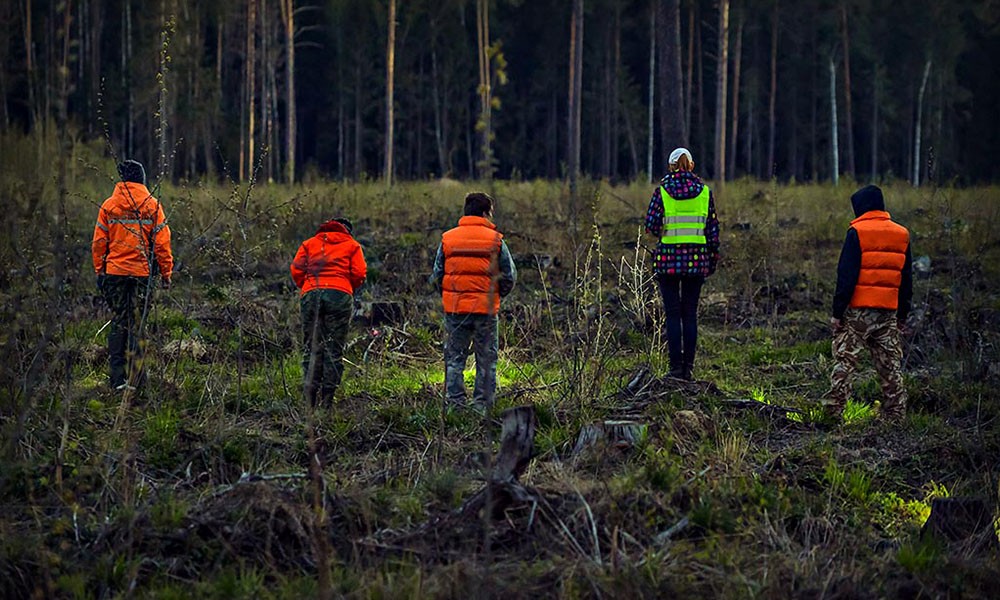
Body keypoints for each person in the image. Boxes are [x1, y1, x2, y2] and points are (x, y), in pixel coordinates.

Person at [825, 184, 912, 423]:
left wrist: (837, 312)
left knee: (846, 362)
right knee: (890, 365)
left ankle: (833, 412)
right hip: (888, 311)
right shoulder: (901, 234)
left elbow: (846, 275)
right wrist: (902, 315)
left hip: (857, 312)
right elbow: (906, 279)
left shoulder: (857, 232)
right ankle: (896, 414)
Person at [431, 192, 517, 412]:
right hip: (485, 309)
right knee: (486, 359)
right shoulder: (496, 240)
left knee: (454, 358)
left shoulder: (448, 238)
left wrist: (449, 295)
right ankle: (482, 406)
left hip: (456, 309)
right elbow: (509, 275)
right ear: (485, 212)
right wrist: (497, 295)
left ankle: (455, 406)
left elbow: (437, 274)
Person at [92, 160, 173, 391]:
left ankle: (117, 380)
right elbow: (162, 244)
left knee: (119, 321)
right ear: (142, 179)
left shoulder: (109, 206)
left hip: (114, 274)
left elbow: (99, 242)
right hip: (142, 275)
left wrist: (100, 270)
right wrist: (166, 273)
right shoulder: (153, 206)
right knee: (137, 325)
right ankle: (138, 381)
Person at [644, 147, 720, 380]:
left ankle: (675, 367)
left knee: (673, 314)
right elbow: (713, 231)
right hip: (697, 262)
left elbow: (651, 226)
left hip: (668, 262)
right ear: (692, 165)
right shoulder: (705, 192)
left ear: (671, 167)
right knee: (690, 314)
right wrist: (712, 259)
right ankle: (689, 368)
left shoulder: (662, 191)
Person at [291, 217, 367, 407]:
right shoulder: (352, 245)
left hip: (311, 294)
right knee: (334, 348)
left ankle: (309, 399)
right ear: (347, 230)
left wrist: (307, 286)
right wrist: (346, 286)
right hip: (339, 295)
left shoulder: (309, 243)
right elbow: (359, 273)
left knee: (311, 345)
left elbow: (296, 269)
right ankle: (327, 400)